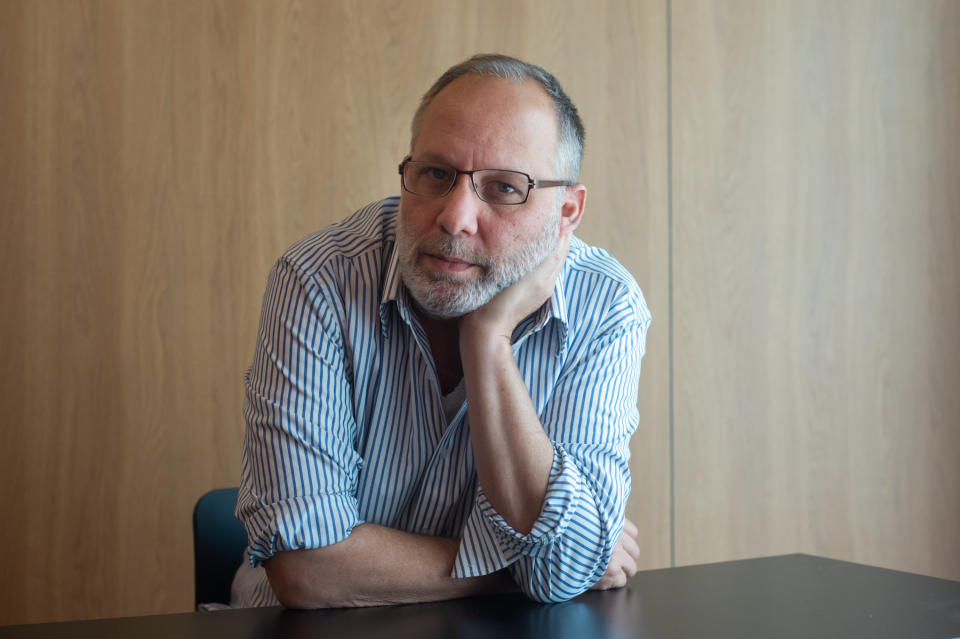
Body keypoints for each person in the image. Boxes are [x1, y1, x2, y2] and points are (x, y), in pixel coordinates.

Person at [232, 53, 651, 608]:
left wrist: (488, 339)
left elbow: (563, 568)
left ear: (567, 211)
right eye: (436, 174)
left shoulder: (607, 305)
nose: (455, 217)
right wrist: (513, 567)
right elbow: (309, 574)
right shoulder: (319, 281)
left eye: (503, 188)